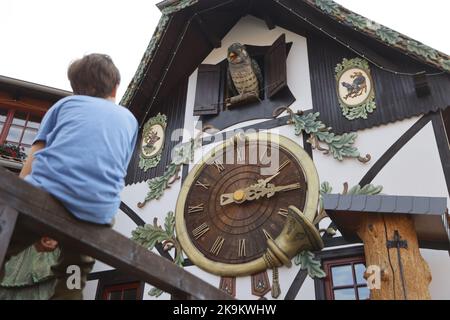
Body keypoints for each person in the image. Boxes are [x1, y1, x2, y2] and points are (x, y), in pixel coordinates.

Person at [0, 53, 138, 299]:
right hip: (96, 214)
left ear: (76, 88)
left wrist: (20, 200)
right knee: (75, 269)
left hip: (44, 198)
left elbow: (35, 154)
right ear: (115, 88)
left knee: (6, 241)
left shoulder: (65, 106)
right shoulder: (129, 120)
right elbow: (116, 167)